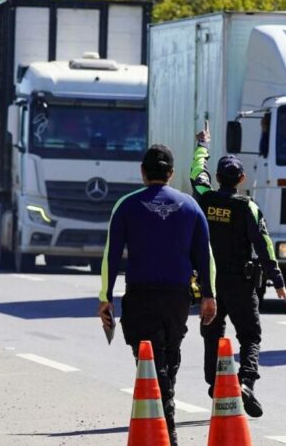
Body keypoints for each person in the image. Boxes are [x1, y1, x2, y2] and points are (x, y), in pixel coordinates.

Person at [98, 144, 217, 446]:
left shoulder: (126, 205)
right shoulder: (190, 206)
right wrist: (208, 295)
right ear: (172, 173)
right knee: (170, 356)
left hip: (140, 295)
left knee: (148, 360)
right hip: (177, 296)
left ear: (142, 172)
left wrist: (105, 296)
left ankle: (167, 425)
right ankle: (166, 418)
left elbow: (111, 254)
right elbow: (205, 256)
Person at [190, 124, 286, 418]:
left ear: (218, 178)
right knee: (250, 336)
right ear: (242, 179)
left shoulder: (205, 198)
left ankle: (215, 384)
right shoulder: (247, 207)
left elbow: (198, 173)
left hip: (210, 282)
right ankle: (246, 382)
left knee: (212, 333)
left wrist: (203, 146)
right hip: (241, 283)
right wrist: (278, 282)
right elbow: (265, 245)